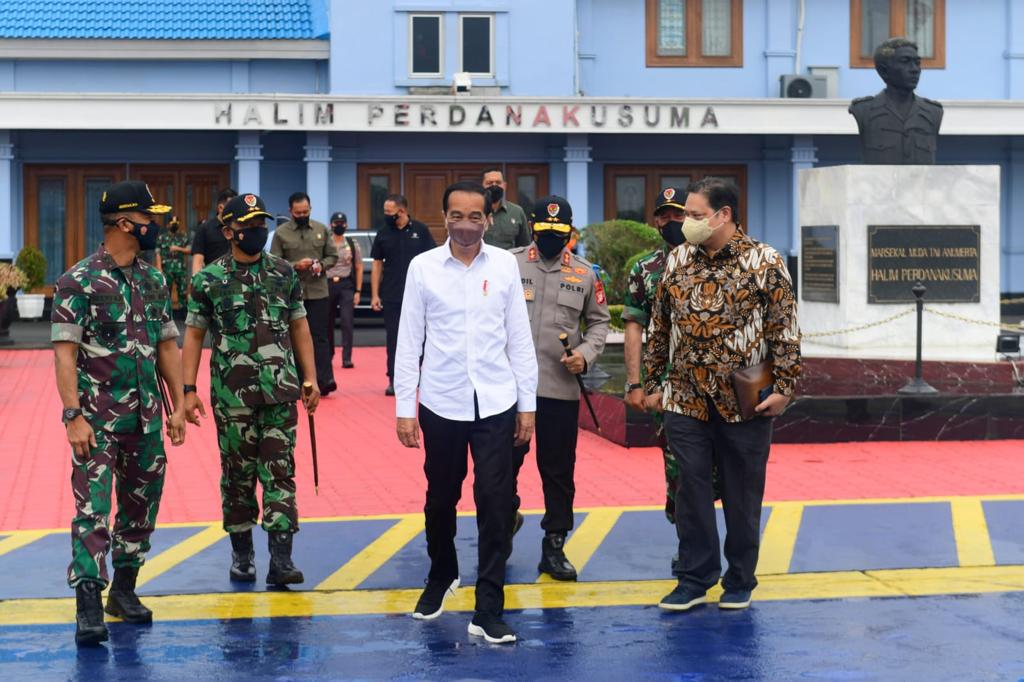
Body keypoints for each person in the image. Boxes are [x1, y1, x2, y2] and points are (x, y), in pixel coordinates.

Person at [644, 177, 801, 612]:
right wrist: (653, 382)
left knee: (742, 494)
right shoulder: (677, 260)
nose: (687, 223)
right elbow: (660, 326)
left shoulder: (765, 261)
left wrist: (785, 387)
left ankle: (739, 578)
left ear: (724, 214)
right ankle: (694, 578)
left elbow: (784, 328)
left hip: (745, 401)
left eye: (695, 215)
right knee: (689, 493)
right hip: (685, 398)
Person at [395, 181, 537, 644]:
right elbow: (409, 340)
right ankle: (442, 574)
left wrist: (527, 405)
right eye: (457, 215)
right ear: (444, 218)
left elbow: (519, 338)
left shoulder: (505, 268)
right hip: (442, 401)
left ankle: (489, 606)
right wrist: (405, 407)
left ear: (488, 220)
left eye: (475, 216)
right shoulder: (422, 269)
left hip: (496, 401)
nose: (466, 224)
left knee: (496, 502)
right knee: (440, 497)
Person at [51, 180, 186, 646]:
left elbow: (167, 345)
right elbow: (64, 355)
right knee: (92, 510)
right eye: (151, 219)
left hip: (146, 419)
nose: (158, 227)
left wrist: (180, 401)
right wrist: (73, 416)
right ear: (126, 224)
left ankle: (124, 590)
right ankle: (89, 601)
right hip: (97, 421)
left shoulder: (153, 279)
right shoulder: (78, 281)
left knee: (140, 510)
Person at [182, 192, 320, 588]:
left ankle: (281, 559)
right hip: (232, 398)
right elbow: (193, 336)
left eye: (262, 224)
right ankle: (242, 554)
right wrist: (188, 390)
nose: (258, 231)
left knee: (280, 472)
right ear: (229, 232)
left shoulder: (283, 273)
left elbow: (300, 329)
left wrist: (309, 380)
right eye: (249, 226)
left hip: (280, 392)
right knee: (238, 476)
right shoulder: (209, 280)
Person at [510, 196, 610, 581]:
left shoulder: (585, 274)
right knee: (501, 466)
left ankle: (553, 545)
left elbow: (599, 323)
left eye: (560, 233)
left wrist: (584, 355)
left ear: (570, 232)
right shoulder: (509, 264)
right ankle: (504, 520)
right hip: (512, 391)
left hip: (558, 389)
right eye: (545, 232)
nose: (552, 240)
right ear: (532, 228)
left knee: (557, 472)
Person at [624, 186, 689, 527]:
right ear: (655, 221)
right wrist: (635, 383)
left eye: (678, 214)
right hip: (664, 388)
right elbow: (634, 326)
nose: (671, 221)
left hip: (715, 387)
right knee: (677, 464)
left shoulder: (718, 260)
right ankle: (687, 538)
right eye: (664, 215)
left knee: (718, 470)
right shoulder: (646, 269)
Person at [270, 192, 339, 395]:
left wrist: (320, 265)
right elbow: (275, 262)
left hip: (318, 291)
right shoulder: (281, 233)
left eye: (305, 211)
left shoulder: (321, 229)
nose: (302, 215)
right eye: (298, 212)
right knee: (292, 337)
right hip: (292, 293)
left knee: (320, 336)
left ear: (310, 209)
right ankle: (298, 380)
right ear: (291, 211)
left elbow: (333, 256)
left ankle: (325, 379)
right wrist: (295, 265)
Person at [370, 193, 436, 396]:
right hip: (392, 295)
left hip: (419, 295)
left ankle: (420, 376)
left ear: (402, 211)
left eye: (389, 212)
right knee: (394, 339)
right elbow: (377, 264)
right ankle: (394, 379)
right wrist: (374, 295)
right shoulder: (383, 233)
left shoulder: (420, 230)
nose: (386, 215)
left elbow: (432, 261)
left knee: (422, 338)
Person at [325, 211, 362, 370]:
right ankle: (328, 354)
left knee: (347, 322)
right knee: (327, 322)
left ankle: (347, 358)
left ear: (346, 225)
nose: (339, 226)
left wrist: (358, 291)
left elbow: (359, 267)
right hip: (327, 285)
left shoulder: (352, 244)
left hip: (346, 284)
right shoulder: (326, 243)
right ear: (331, 225)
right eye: (336, 223)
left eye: (342, 223)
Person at [481, 167, 530, 250]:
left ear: (504, 185)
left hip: (508, 262)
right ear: (482, 185)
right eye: (489, 183)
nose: (494, 185)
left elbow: (524, 247)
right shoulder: (474, 212)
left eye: (498, 182)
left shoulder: (517, 212)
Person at [191, 188, 238, 274]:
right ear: (220, 208)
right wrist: (196, 283)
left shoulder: (239, 228)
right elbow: (198, 261)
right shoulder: (204, 229)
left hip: (237, 280)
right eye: (232, 207)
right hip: (213, 280)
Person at [157, 215, 191, 314]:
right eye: (173, 224)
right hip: (166, 268)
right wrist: (159, 268)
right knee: (166, 291)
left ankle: (183, 313)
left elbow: (189, 250)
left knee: (183, 291)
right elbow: (158, 252)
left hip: (180, 268)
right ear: (168, 225)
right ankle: (166, 314)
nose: (174, 226)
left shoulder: (183, 236)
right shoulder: (162, 237)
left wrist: (178, 248)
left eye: (176, 224)